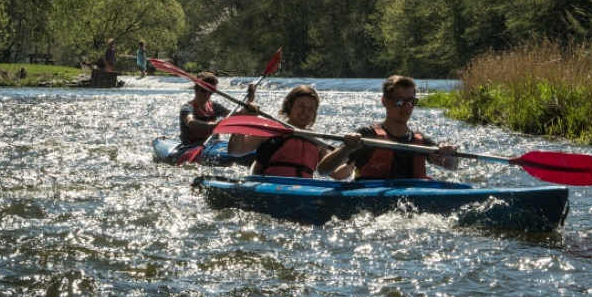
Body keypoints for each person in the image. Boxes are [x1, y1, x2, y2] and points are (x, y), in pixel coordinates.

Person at [319, 75, 458, 180]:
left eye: (411, 102)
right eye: (399, 101)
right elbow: (324, 170)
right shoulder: (366, 135)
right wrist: (347, 148)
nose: (406, 107)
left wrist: (449, 153)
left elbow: (451, 166)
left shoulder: (421, 141)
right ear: (384, 102)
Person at [227, 85, 356, 179]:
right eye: (301, 106)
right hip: (269, 189)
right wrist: (244, 119)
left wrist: (351, 156)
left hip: (302, 193)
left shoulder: (316, 141)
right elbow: (235, 151)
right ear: (290, 106)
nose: (305, 112)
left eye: (311, 109)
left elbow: (337, 174)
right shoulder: (270, 130)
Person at [180, 72, 255, 146]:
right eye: (204, 91)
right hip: (191, 145)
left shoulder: (214, 106)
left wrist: (249, 100)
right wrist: (215, 124)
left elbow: (237, 114)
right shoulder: (187, 108)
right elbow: (191, 123)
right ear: (196, 89)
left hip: (213, 144)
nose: (207, 94)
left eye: (210, 92)